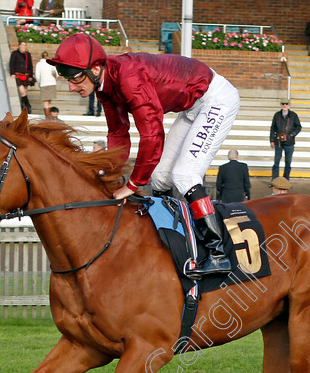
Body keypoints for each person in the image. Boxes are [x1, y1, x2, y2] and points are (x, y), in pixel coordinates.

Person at [47, 34, 240, 278]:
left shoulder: (128, 77)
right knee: (159, 178)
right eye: (67, 79)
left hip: (215, 99)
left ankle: (217, 254)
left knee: (185, 175)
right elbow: (118, 134)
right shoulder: (104, 87)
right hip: (193, 105)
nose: (71, 87)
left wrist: (133, 184)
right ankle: (172, 238)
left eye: (75, 78)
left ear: (95, 68)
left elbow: (152, 134)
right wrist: (108, 173)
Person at [270, 98, 302, 180]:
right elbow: (273, 128)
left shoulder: (293, 115)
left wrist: (292, 134)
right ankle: (275, 180)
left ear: (289, 105)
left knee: (288, 162)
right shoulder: (277, 115)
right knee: (276, 162)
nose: (285, 105)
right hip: (278, 142)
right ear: (281, 105)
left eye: (286, 104)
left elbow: (298, 127)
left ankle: (286, 179)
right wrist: (272, 140)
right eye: (283, 104)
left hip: (289, 142)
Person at [10, 41, 35, 114]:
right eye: (22, 45)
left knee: (25, 92)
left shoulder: (28, 54)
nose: (24, 47)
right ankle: (28, 105)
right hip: (18, 74)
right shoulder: (15, 53)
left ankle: (23, 107)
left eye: (25, 45)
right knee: (22, 92)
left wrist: (30, 75)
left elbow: (30, 65)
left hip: (26, 75)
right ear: (19, 46)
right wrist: (12, 73)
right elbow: (11, 64)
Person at [35, 51, 58, 117]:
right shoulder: (50, 63)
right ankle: (50, 117)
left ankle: (47, 117)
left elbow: (37, 75)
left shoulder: (39, 64)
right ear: (47, 56)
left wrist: (39, 83)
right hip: (52, 83)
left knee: (45, 102)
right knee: (49, 101)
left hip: (44, 83)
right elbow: (56, 72)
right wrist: (54, 79)